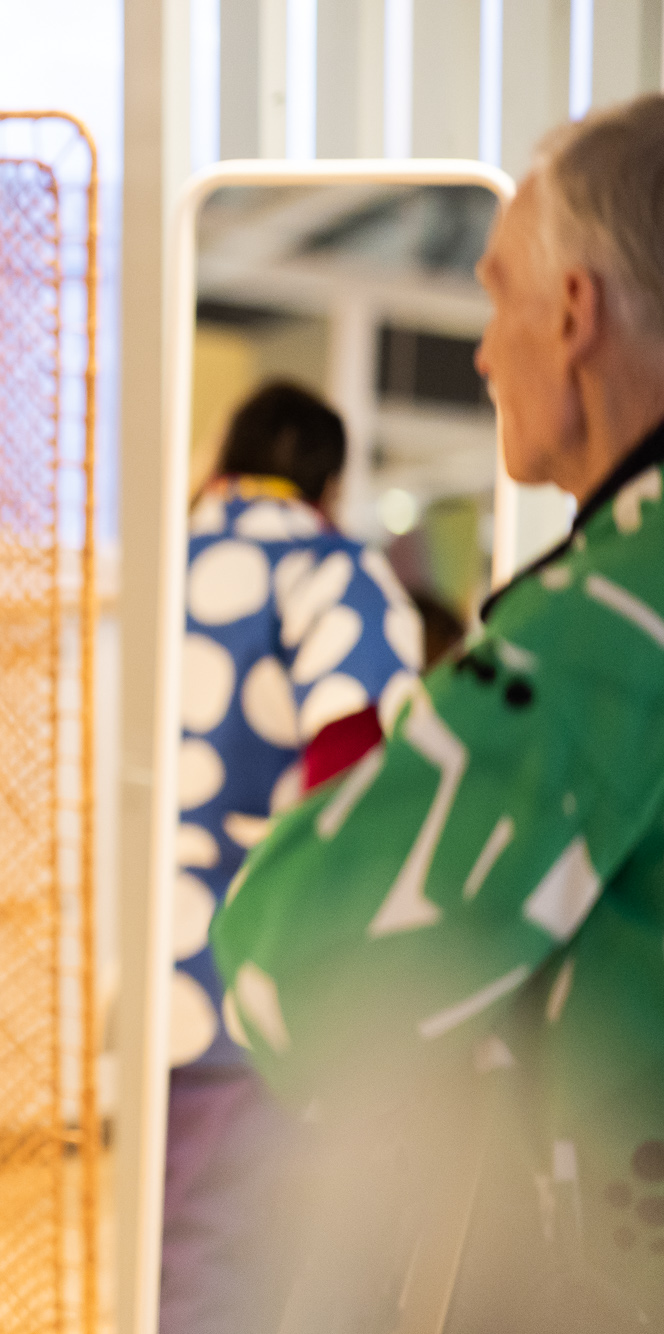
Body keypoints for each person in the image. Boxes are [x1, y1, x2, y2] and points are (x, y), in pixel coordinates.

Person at [214, 92, 664, 1332]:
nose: (478, 352)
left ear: (571, 310)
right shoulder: (340, 575)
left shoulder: (607, 613)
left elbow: (298, 950)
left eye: (492, 294)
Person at [164, 380, 422, 1334]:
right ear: (330, 483)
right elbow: (356, 771)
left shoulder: (162, 560)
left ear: (223, 458)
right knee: (232, 1273)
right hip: (250, 991)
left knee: (160, 1262)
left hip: (139, 992)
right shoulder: (331, 570)